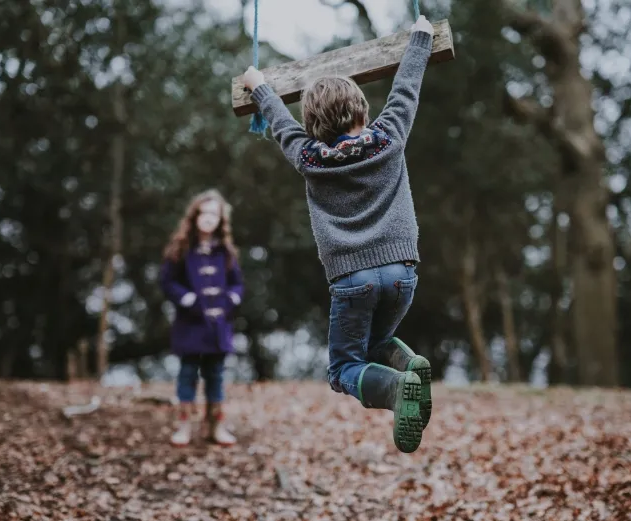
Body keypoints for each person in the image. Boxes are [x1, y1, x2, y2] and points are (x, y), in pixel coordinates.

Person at [241, 16, 435, 453]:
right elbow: (407, 87)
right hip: (402, 272)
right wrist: (420, 36)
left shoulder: (309, 157)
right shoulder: (390, 137)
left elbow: (279, 123)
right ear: (363, 109)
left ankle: (397, 389)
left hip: (353, 279)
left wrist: (259, 85)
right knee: (379, 342)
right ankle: (411, 366)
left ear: (315, 125)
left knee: (344, 368)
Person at [159, 189, 244, 447]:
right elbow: (167, 281)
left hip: (218, 327)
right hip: (190, 326)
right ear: (194, 216)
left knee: (216, 375)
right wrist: (188, 299)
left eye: (214, 214)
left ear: (221, 220)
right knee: (187, 374)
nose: (208, 218)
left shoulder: (226, 252)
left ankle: (215, 426)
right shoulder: (181, 249)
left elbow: (237, 284)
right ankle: (184, 426)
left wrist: (231, 299)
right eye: (204, 213)